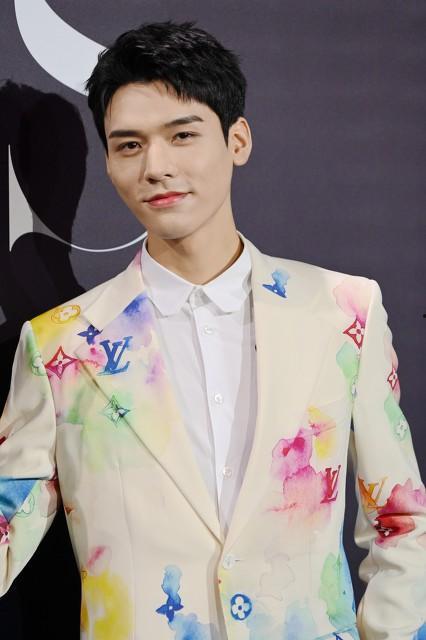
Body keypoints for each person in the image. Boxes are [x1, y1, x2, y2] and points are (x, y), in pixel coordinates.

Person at [0, 19, 425, 640]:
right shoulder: (60, 346)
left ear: (237, 140)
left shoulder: (343, 312)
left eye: (182, 135)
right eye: (129, 145)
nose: (156, 166)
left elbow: (402, 522)